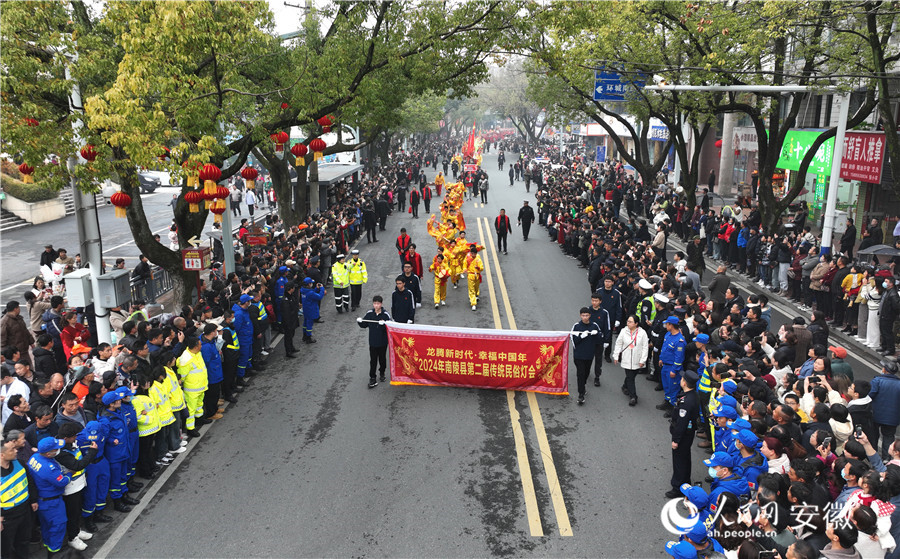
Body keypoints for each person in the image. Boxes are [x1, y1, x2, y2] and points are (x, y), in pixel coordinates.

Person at [55, 421, 98, 552]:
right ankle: (72, 538)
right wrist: (92, 452)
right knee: (72, 513)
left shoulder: (69, 443)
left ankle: (77, 531)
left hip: (79, 482)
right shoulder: (61, 452)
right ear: (66, 438)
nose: (76, 438)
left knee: (77, 510)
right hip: (70, 487)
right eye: (74, 436)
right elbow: (77, 465)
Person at [28, 437, 72, 556]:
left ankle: (48, 544)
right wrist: (69, 475)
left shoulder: (34, 457)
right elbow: (61, 482)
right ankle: (55, 550)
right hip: (52, 502)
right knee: (58, 525)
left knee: (46, 525)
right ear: (48, 453)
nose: (58, 450)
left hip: (41, 500)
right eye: (56, 449)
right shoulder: (48, 468)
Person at [665, 370, 700, 498]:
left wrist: (676, 440)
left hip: (683, 435)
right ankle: (685, 481)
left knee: (679, 460)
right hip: (689, 433)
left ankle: (678, 486)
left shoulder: (686, 402)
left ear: (684, 382)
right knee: (685, 458)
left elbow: (681, 423)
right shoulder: (693, 395)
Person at [0, 438, 36, 559]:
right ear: (2, 454)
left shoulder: (19, 463)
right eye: (12, 449)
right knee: (7, 549)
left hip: (25, 512)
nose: (16, 451)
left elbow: (30, 481)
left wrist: (33, 500)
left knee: (24, 541)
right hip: (7, 519)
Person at [613, 314, 648, 406]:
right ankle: (633, 397)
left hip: (637, 359)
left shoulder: (642, 333)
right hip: (627, 358)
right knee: (630, 377)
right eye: (627, 321)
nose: (628, 323)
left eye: (630, 322)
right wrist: (616, 356)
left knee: (632, 376)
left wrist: (643, 360)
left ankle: (625, 386)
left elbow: (645, 347)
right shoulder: (623, 331)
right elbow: (618, 344)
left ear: (636, 323)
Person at [176, 336, 208, 436]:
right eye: (200, 344)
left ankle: (199, 420)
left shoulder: (197, 353)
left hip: (200, 386)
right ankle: (190, 428)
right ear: (195, 347)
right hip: (192, 389)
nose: (201, 346)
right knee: (191, 409)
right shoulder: (186, 360)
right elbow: (182, 376)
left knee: (199, 405)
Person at [357, 296, 391, 389]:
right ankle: (372, 377)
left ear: (381, 304)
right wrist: (360, 322)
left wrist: (384, 325)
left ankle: (382, 372)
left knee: (382, 359)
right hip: (372, 342)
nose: (376, 305)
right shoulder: (370, 314)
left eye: (378, 304)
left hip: (383, 342)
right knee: (373, 360)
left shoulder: (385, 315)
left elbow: (390, 328)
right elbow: (364, 324)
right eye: (375, 303)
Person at [870, 357, 900, 458]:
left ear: (885, 370)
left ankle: (873, 457)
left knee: (873, 436)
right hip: (893, 418)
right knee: (888, 437)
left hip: (875, 415)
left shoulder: (877, 381)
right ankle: (887, 458)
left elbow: (870, 395)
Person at [571, 307, 602, 405]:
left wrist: (596, 334)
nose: (585, 317)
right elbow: (574, 342)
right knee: (580, 373)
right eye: (583, 315)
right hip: (579, 355)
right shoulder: (576, 326)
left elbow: (600, 339)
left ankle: (583, 386)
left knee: (586, 372)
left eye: (587, 315)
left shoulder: (594, 326)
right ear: (580, 315)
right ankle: (581, 395)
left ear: (590, 316)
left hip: (589, 355)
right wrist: (581, 337)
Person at [658, 316, 686, 410]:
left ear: (671, 325)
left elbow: (679, 358)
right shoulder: (668, 335)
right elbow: (664, 348)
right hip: (665, 365)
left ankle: (672, 408)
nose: (665, 325)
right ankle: (666, 401)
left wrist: (674, 370)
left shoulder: (679, 340)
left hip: (672, 368)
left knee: (673, 388)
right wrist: (661, 359)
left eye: (667, 324)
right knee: (666, 386)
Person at [199, 324, 224, 421]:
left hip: (215, 371)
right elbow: (206, 362)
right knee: (211, 395)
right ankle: (211, 412)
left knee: (215, 393)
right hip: (212, 373)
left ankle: (215, 409)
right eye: (216, 331)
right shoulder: (206, 347)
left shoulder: (209, 341)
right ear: (212, 332)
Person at [1, 301, 34, 368]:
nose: (19, 309)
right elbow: (2, 339)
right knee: (21, 369)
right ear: (15, 309)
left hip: (24, 349)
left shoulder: (19, 318)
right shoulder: (5, 322)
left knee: (29, 367)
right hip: (15, 353)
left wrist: (31, 342)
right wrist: (5, 354)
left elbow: (25, 331)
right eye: (18, 308)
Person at [588, 292, 611, 386]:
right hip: (588, 340)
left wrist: (606, 340)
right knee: (587, 358)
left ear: (600, 301)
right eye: (593, 300)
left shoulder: (604, 313)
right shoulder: (588, 311)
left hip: (599, 341)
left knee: (598, 360)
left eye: (596, 300)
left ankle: (597, 377)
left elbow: (607, 327)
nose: (594, 302)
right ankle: (586, 372)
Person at [878, 275, 900, 356]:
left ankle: (890, 349)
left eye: (886, 282)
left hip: (888, 316)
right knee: (883, 331)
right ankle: (884, 346)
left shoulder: (893, 294)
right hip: (883, 315)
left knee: (887, 333)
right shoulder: (886, 291)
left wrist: (890, 314)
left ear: (891, 284)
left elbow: (896, 307)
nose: (884, 283)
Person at [300, 278, 325, 344]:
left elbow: (312, 293)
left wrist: (316, 289)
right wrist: (322, 289)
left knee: (305, 323)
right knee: (309, 324)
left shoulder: (303, 290)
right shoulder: (310, 293)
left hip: (306, 309)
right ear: (308, 284)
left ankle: (304, 335)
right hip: (311, 309)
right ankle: (308, 337)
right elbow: (319, 296)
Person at [281, 282, 300, 358]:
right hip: (289, 322)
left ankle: (291, 348)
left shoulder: (291, 296)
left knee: (291, 335)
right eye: (293, 287)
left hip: (293, 319)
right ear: (290, 289)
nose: (294, 289)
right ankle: (288, 351)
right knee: (288, 336)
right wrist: (288, 324)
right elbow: (286, 314)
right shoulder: (285, 300)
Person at [464, 245, 484, 311]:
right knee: (471, 290)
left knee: (476, 288)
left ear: (476, 254)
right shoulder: (467, 258)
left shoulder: (478, 259)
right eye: (472, 253)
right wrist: (465, 270)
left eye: (474, 253)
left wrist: (478, 268)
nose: (473, 254)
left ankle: (476, 296)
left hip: (477, 276)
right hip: (470, 276)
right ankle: (473, 304)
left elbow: (482, 268)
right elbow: (464, 265)